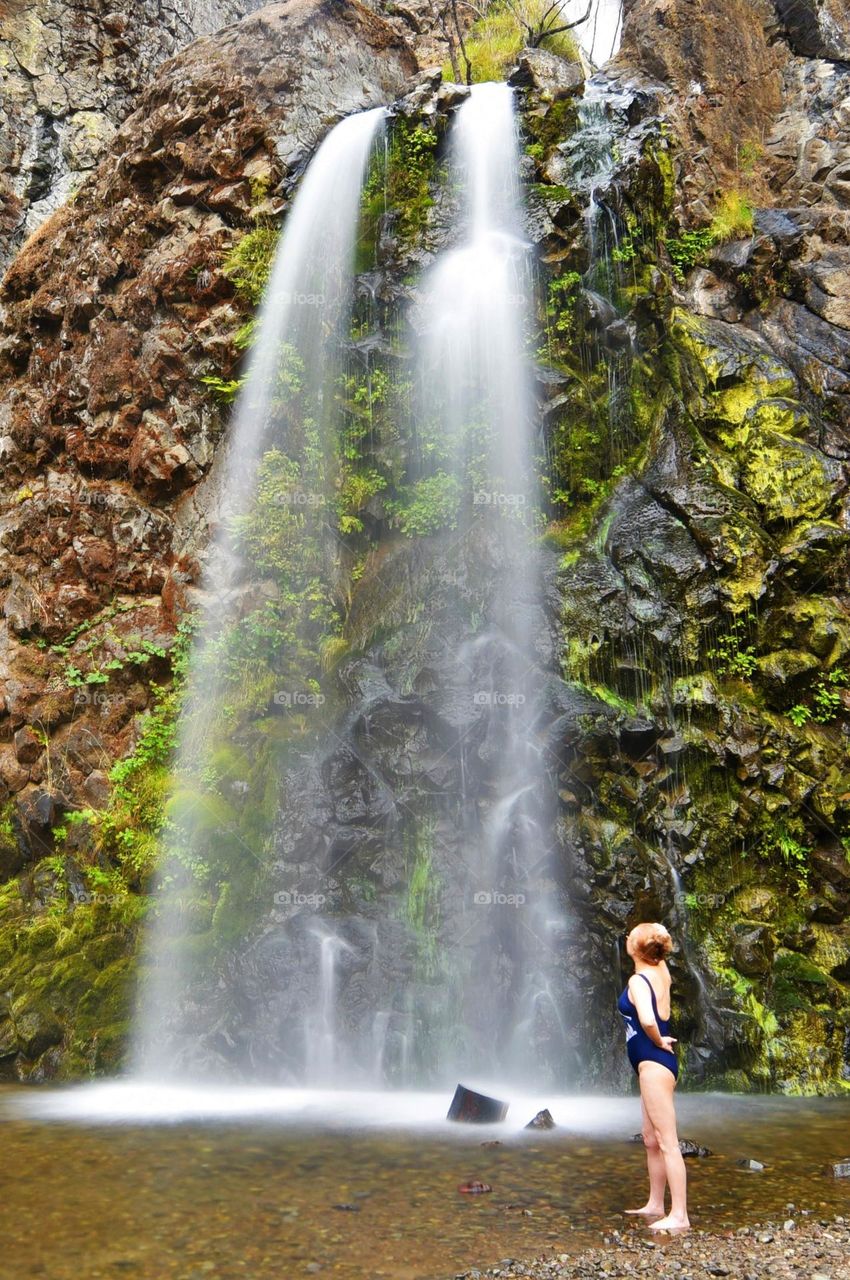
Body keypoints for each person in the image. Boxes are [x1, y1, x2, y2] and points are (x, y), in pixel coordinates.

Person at [617, 921, 690, 1231]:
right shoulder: (662, 971)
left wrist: (659, 1040)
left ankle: (680, 1215)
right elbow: (660, 939)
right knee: (650, 1139)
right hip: (650, 1063)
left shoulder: (638, 980)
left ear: (635, 948)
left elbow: (647, 1019)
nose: (627, 936)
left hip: (654, 1061)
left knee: (667, 1142)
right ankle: (656, 1203)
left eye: (631, 935)